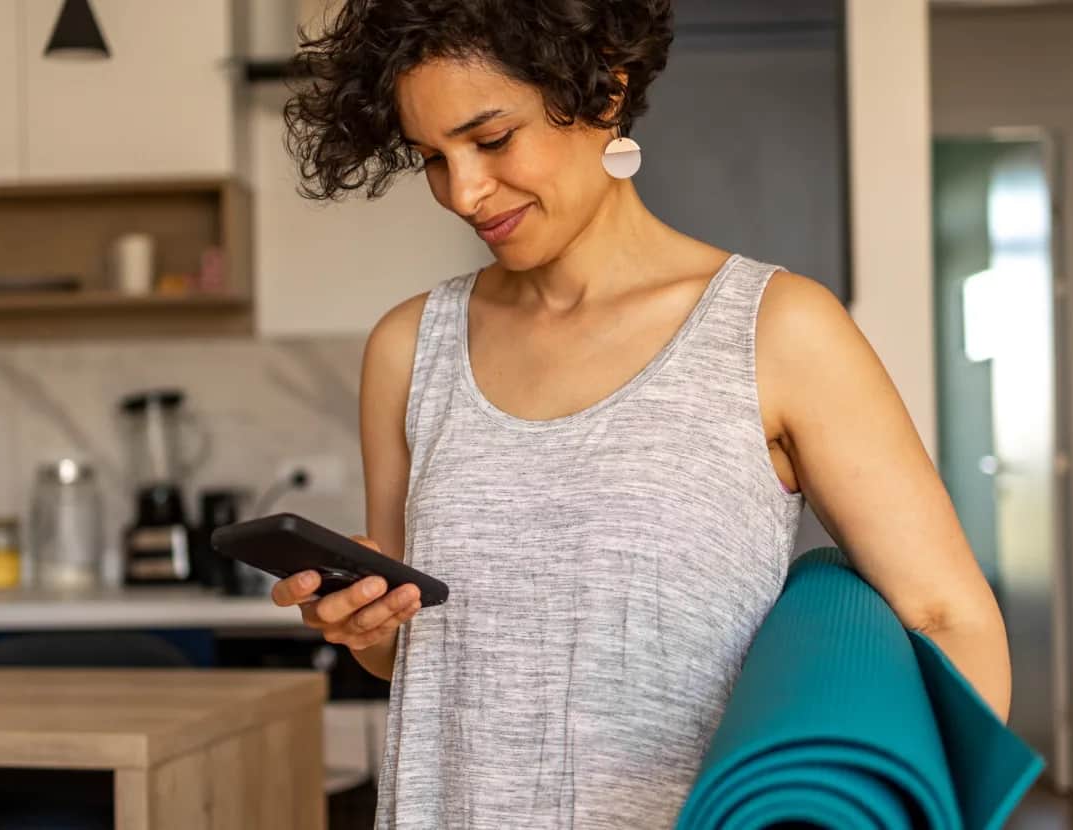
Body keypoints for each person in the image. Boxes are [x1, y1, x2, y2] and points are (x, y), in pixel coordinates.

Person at [269, 1, 1011, 827]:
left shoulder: (776, 329)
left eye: (491, 138)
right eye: (432, 159)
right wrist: (362, 624)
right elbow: (403, 649)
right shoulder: (410, 348)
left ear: (603, 92)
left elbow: (948, 618)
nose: (465, 193)